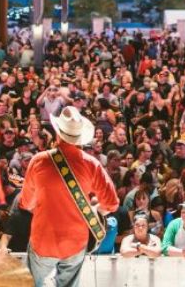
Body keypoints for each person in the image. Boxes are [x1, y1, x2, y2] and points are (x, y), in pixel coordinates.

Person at [21, 106, 119, 287]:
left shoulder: (39, 161)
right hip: (75, 242)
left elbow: (27, 203)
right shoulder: (92, 164)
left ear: (58, 134)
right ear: (80, 138)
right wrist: (95, 210)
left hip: (44, 239)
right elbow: (112, 204)